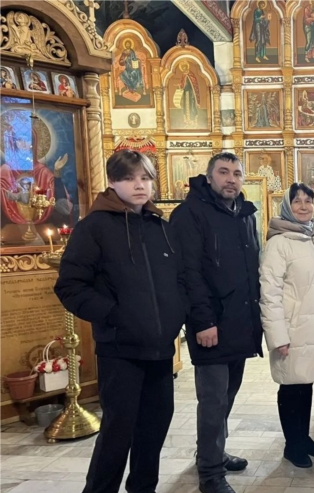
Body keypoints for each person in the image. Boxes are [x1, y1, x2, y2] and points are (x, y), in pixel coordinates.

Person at [54, 149, 187, 493]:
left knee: (154, 429)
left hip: (160, 350)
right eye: (129, 178)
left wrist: (176, 314)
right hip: (120, 350)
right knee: (118, 433)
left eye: (145, 178)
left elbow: (179, 280)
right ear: (112, 182)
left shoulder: (161, 228)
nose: (139, 185)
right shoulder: (94, 228)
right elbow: (70, 285)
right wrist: (114, 315)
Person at [169, 152, 262, 493]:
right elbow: (188, 273)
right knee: (213, 400)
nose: (231, 179)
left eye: (237, 173)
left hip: (239, 322)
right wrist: (203, 321)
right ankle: (210, 474)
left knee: (228, 395)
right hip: (211, 325)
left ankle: (213, 453)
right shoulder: (190, 214)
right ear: (209, 178)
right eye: (223, 172)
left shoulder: (244, 214)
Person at [259, 183, 314, 468]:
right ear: (287, 206)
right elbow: (269, 292)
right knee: (291, 387)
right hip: (291, 330)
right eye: (297, 201)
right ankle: (291, 445)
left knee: (305, 383)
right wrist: (277, 335)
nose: (304, 206)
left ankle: (303, 438)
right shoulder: (279, 243)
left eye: (308, 201)